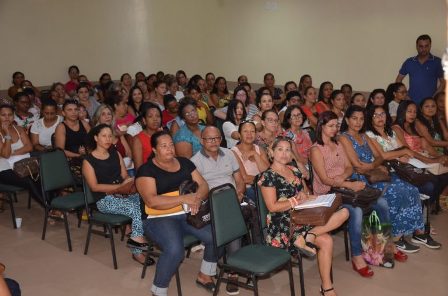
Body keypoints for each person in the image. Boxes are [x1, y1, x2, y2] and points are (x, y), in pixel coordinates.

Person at [260, 136, 349, 296]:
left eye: (288, 150)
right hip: (283, 224)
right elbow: (272, 206)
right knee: (327, 239)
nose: (284, 153)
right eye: (280, 149)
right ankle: (327, 289)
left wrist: (308, 196)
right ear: (271, 152)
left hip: (303, 215)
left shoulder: (294, 170)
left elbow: (306, 193)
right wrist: (295, 200)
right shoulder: (268, 176)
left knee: (344, 212)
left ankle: (310, 236)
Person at [136, 130, 217, 296]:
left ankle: (205, 274)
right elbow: (152, 201)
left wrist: (197, 199)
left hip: (187, 212)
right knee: (175, 250)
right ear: (154, 150)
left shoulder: (184, 162)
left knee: (216, 235)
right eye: (164, 146)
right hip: (157, 218)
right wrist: (184, 199)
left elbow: (203, 185)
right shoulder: (146, 170)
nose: (169, 149)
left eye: (171, 144)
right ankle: (159, 290)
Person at [338, 106, 415, 271]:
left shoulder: (364, 135)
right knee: (385, 198)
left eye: (361, 118)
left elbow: (380, 156)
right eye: (354, 118)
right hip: (357, 183)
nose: (358, 122)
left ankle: (388, 246)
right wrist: (375, 166)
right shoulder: (344, 138)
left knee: (386, 202)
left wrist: (372, 166)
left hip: (371, 179)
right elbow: (357, 166)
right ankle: (371, 250)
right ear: (347, 120)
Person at [364, 106, 441, 251]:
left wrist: (404, 154)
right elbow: (383, 155)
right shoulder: (369, 134)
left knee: (413, 190)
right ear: (370, 118)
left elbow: (404, 150)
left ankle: (418, 232)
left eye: (382, 114)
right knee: (405, 191)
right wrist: (402, 153)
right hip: (385, 172)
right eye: (376, 115)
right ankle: (397, 237)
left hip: (401, 170)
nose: (380, 117)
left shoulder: (390, 131)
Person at [191, 126, 248, 295]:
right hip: (211, 202)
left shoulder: (229, 153)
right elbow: (198, 190)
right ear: (202, 141)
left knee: (236, 217)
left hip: (232, 198)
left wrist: (240, 192)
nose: (214, 142)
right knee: (231, 221)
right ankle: (233, 272)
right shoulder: (195, 161)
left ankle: (232, 269)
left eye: (217, 138)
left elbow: (240, 179)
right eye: (209, 139)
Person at [82, 124, 149, 265]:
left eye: (110, 136)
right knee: (135, 209)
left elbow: (124, 175)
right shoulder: (88, 160)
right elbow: (94, 187)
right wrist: (118, 187)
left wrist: (129, 183)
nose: (108, 139)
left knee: (147, 201)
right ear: (96, 138)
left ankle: (140, 237)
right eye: (104, 136)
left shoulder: (115, 153)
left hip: (123, 193)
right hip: (104, 199)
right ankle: (137, 251)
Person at [392, 100, 448, 213]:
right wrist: (432, 160)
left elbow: (426, 146)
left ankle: (429, 205)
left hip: (422, 159)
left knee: (445, 174)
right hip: (410, 162)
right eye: (409, 111)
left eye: (415, 112)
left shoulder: (413, 127)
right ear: (402, 112)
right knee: (434, 181)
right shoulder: (397, 128)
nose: (412, 114)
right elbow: (407, 150)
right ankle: (422, 210)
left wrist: (440, 157)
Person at [0, 104, 44, 207]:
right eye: (3, 115)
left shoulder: (18, 129)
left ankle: (52, 204)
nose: (7, 118)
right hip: (4, 169)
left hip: (24, 165)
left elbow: (29, 147)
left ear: (13, 116)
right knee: (29, 181)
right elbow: (6, 155)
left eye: (10, 115)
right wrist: (6, 134)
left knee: (43, 177)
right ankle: (49, 207)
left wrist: (13, 152)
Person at [396, 34, 445, 105]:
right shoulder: (409, 62)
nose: (424, 49)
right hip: (411, 103)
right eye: (421, 46)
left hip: (429, 105)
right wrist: (405, 96)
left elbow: (443, 83)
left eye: (426, 46)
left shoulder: (437, 62)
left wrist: (434, 98)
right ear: (417, 47)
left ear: (430, 46)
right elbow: (398, 80)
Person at [232, 121, 270, 202]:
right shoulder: (233, 152)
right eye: (245, 131)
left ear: (256, 134)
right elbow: (244, 178)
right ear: (239, 135)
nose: (249, 134)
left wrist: (255, 154)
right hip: (248, 189)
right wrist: (263, 181)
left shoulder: (259, 149)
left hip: (263, 186)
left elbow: (267, 172)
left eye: (252, 131)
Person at [132, 103, 162, 170]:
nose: (155, 119)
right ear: (144, 120)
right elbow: (139, 168)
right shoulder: (138, 139)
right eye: (150, 116)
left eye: (158, 116)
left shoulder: (164, 135)